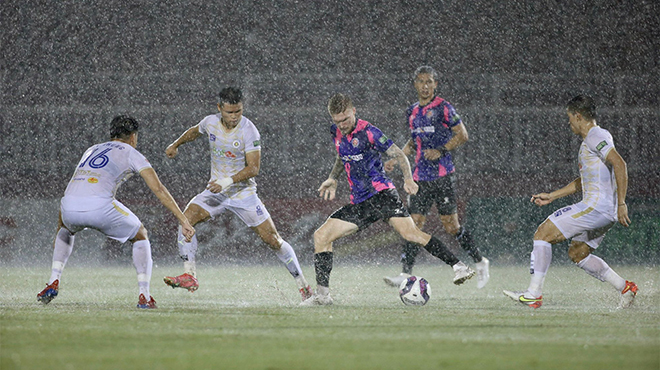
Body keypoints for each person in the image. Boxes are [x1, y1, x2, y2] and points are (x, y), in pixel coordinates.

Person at [301, 93, 475, 306]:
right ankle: (323, 297)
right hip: (361, 202)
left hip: (383, 195)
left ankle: (459, 267)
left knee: (412, 234)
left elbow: (399, 155)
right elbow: (341, 155)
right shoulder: (335, 132)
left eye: (345, 119)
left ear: (354, 111)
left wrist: (408, 180)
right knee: (321, 237)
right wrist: (332, 178)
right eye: (337, 121)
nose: (342, 125)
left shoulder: (370, 132)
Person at [162, 87, 312, 301]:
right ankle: (189, 275)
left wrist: (226, 181)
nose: (234, 117)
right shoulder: (210, 122)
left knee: (273, 240)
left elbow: (254, 168)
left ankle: (304, 286)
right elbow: (195, 131)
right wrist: (176, 144)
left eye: (238, 112)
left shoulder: (249, 131)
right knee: (186, 220)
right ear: (219, 109)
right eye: (229, 112)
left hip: (243, 193)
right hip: (216, 192)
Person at [37, 115, 195, 309]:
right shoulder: (131, 152)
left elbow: (78, 182)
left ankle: (53, 281)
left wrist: (64, 219)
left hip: (68, 205)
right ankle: (144, 296)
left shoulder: (92, 149)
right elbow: (158, 189)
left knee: (65, 229)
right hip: (99, 207)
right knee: (140, 235)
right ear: (133, 137)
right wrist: (183, 220)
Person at [504, 95, 637, 309]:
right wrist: (553, 195)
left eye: (569, 118)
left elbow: (620, 163)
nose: (569, 123)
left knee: (542, 234)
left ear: (578, 116)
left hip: (596, 208)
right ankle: (625, 288)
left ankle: (533, 294)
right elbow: (585, 180)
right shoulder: (592, 141)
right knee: (577, 253)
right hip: (605, 211)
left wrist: (622, 203)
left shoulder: (595, 135)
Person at [382, 66, 489, 289]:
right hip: (419, 179)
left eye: (429, 81)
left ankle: (480, 261)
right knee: (414, 225)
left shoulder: (444, 108)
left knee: (451, 226)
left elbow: (463, 135)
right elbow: (413, 142)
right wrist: (398, 158)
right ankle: (405, 273)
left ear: (435, 84)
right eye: (421, 81)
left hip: (442, 177)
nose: (425, 86)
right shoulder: (411, 112)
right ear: (415, 84)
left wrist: (441, 150)